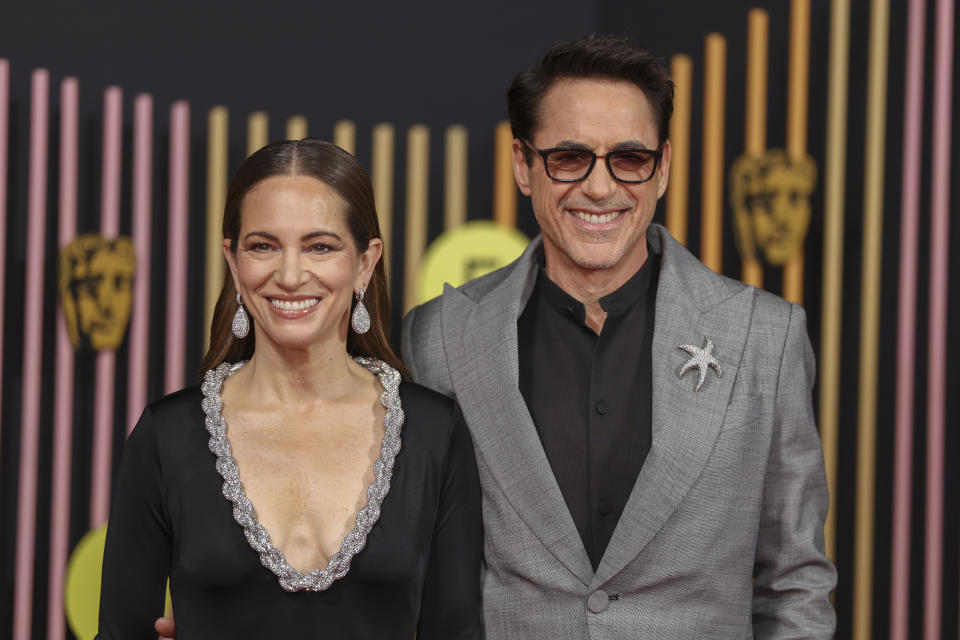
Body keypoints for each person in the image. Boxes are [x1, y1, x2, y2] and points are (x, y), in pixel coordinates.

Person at [400, 35, 837, 638]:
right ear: (523, 166)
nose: (600, 188)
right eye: (569, 157)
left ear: (663, 168)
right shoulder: (440, 337)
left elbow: (795, 582)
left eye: (629, 158)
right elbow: (420, 579)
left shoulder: (765, 335)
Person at [99, 139, 482, 639]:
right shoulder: (165, 436)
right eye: (264, 246)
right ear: (234, 262)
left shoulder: (436, 432)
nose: (290, 274)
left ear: (365, 264)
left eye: (320, 246)